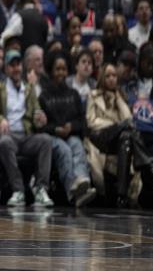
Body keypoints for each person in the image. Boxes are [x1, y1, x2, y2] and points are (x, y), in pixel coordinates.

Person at [86, 63, 153, 208]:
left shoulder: (121, 96)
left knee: (126, 139)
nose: (111, 79)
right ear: (102, 78)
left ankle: (121, 196)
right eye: (108, 76)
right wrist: (114, 125)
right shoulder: (93, 95)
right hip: (99, 137)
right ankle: (149, 166)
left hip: (117, 139)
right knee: (126, 130)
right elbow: (91, 122)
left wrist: (118, 98)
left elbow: (128, 119)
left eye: (114, 75)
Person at [0, 50, 54, 207]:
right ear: (6, 69)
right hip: (9, 136)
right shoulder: (0, 88)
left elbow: (36, 113)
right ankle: (18, 190)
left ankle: (41, 189)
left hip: (26, 136)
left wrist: (40, 119)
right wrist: (1, 119)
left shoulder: (29, 89)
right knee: (4, 143)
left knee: (46, 141)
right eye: (12, 65)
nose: (16, 68)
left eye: (18, 65)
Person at [38, 51, 96, 207]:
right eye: (58, 69)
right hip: (53, 136)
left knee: (76, 145)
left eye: (64, 69)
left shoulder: (73, 94)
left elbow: (81, 121)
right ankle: (72, 190)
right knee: (64, 150)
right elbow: (40, 126)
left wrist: (72, 127)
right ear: (51, 71)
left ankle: (83, 182)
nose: (61, 73)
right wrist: (55, 129)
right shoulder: (43, 96)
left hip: (70, 134)